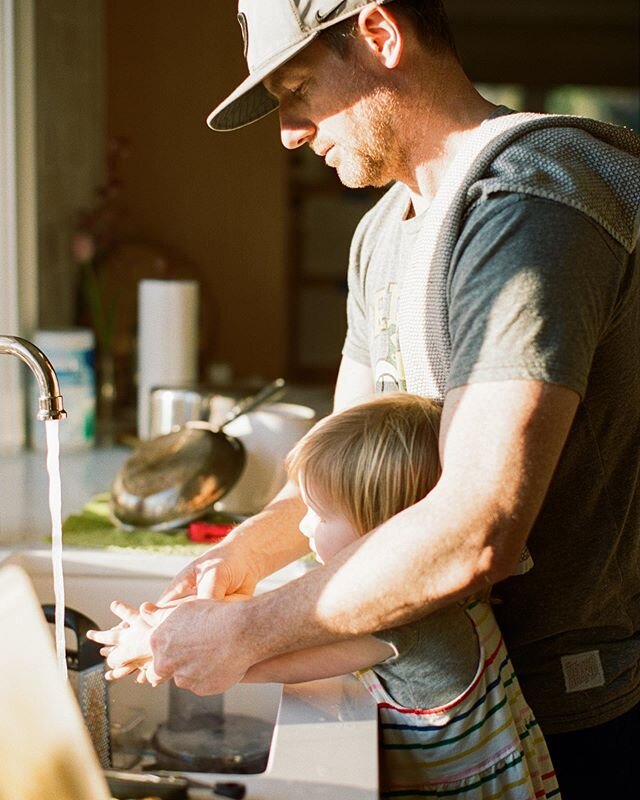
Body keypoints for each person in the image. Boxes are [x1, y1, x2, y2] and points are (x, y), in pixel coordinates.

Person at [88, 2, 640, 797]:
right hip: (424, 677)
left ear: (380, 35)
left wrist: (246, 630)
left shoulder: (534, 206)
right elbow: (333, 469)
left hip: (561, 720)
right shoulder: (381, 232)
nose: (288, 132)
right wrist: (241, 555)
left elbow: (474, 530)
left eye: (297, 89)